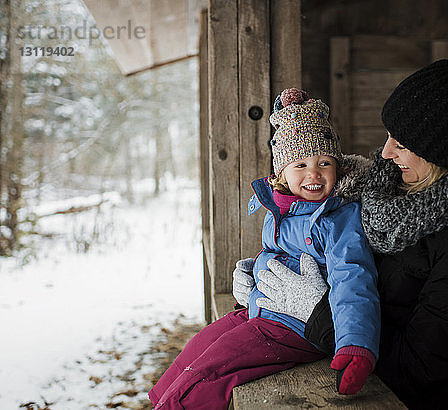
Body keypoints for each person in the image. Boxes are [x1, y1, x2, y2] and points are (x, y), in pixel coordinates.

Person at [232, 60, 448, 409]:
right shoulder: (377, 188)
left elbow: (419, 367)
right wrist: (267, 274)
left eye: (404, 143)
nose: (385, 152)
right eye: (389, 133)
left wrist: (316, 313)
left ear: (444, 152)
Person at [149, 88, 380, 409]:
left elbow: (354, 279)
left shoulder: (338, 216)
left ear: (338, 168)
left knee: (209, 372)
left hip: (299, 325)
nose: (313, 173)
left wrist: (355, 347)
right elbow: (279, 254)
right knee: (194, 351)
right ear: (281, 172)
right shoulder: (281, 207)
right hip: (264, 309)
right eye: (299, 163)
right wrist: (255, 270)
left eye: (324, 162)